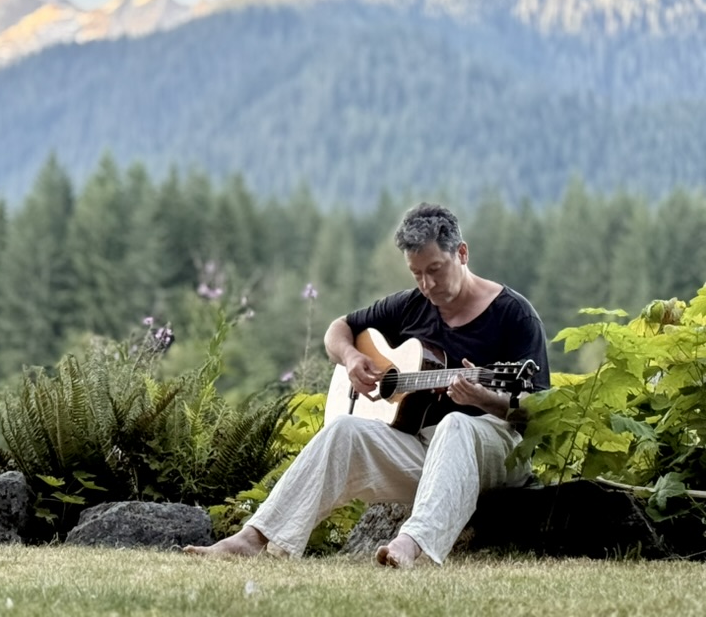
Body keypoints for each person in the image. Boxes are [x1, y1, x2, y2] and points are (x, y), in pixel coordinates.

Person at [184, 202, 550, 567]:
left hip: (497, 449)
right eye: (417, 273)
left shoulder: (514, 314)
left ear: (462, 253)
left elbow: (540, 412)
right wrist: (351, 358)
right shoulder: (411, 305)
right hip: (428, 452)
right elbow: (337, 329)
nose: (427, 284)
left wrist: (487, 401)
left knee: (456, 424)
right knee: (343, 429)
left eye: (435, 270)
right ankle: (254, 538)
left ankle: (411, 544)